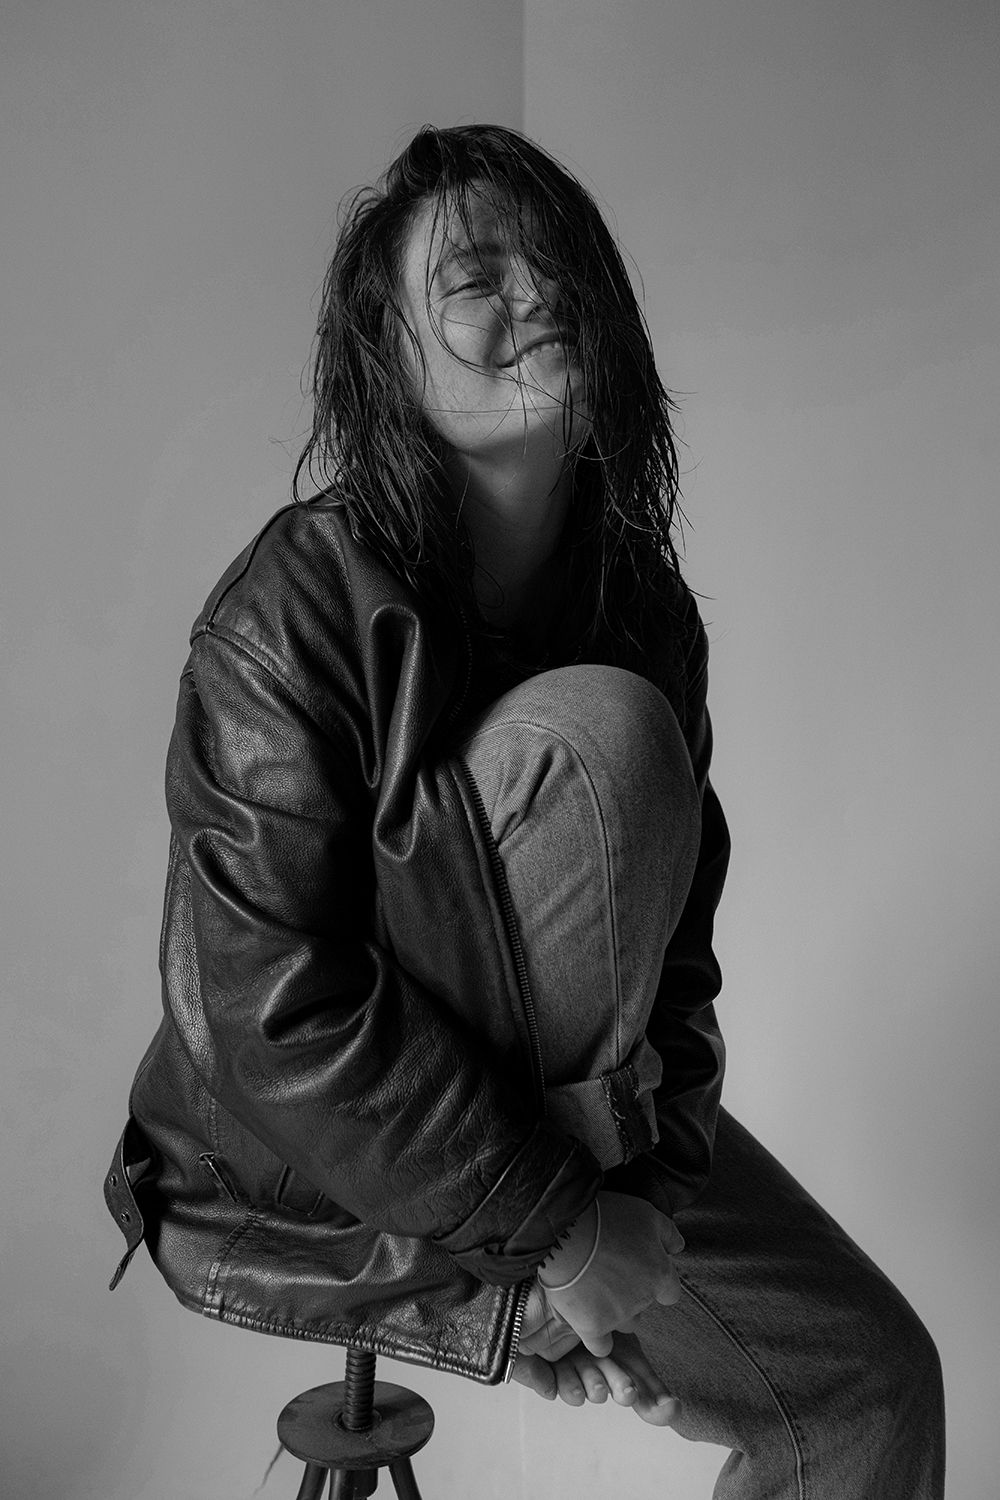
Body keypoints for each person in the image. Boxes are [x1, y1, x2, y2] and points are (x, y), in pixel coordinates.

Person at [104, 124, 945, 1497]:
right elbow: (269, 1006)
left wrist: (632, 1219)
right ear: (388, 355)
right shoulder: (290, 611)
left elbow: (678, 964)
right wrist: (558, 1235)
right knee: (597, 738)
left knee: (868, 1379)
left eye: (558, 264)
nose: (537, 294)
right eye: (477, 279)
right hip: (300, 1165)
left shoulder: (642, 607)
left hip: (564, 1140)